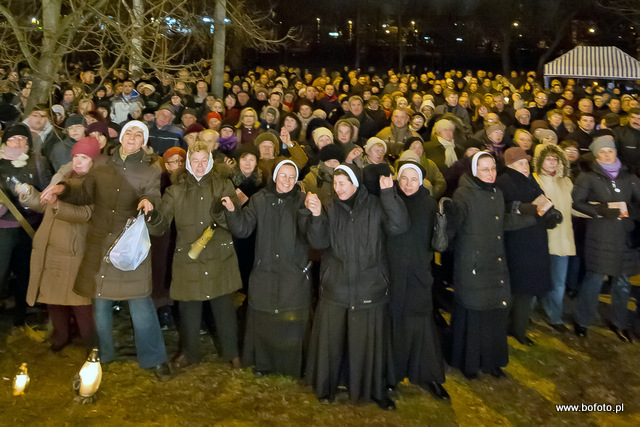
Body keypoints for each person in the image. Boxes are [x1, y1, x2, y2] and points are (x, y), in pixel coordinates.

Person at [42, 120, 171, 379]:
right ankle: (102, 354)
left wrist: (148, 202)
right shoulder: (101, 164)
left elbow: (153, 195)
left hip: (129, 246)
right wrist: (63, 189)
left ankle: (154, 358)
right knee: (100, 304)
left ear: (144, 141)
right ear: (121, 137)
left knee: (140, 303)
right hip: (101, 243)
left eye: (138, 134)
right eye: (128, 132)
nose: (132, 137)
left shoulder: (150, 170)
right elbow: (84, 195)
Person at [306, 163, 409, 410]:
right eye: (335, 184)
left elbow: (399, 226)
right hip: (337, 287)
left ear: (355, 183)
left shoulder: (375, 205)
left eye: (342, 183)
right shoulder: (330, 207)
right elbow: (318, 242)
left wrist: (389, 195)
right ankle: (327, 387)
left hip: (369, 286)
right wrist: (317, 216)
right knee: (331, 343)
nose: (338, 188)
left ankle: (374, 390)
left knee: (369, 345)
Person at [148, 141, 242, 369]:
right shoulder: (175, 191)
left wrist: (226, 212)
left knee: (224, 307)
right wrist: (151, 216)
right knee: (188, 308)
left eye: (203, 160)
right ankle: (189, 352)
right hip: (188, 257)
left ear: (210, 162)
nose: (199, 165)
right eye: (194, 161)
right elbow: (161, 225)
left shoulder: (224, 186)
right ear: (188, 164)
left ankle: (232, 352)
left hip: (219, 255)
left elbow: (236, 222)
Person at [223, 160, 314, 378]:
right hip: (265, 270)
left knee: (292, 317)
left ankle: (292, 366)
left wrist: (315, 213)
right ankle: (263, 363)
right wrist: (233, 211)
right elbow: (243, 229)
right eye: (283, 175)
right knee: (265, 318)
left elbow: (313, 235)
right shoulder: (260, 199)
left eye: (292, 177)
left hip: (294, 272)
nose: (287, 181)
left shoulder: (303, 201)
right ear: (275, 177)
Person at [18, 137, 101, 352]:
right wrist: (29, 195)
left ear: (94, 160)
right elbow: (43, 204)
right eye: (76, 156)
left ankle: (92, 344)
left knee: (80, 301)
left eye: (84, 157)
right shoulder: (62, 176)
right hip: (50, 245)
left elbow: (86, 214)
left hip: (75, 248)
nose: (78, 161)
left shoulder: (97, 182)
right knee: (52, 297)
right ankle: (60, 336)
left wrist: (57, 205)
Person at [386, 161, 449, 401]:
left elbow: (437, 242)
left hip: (418, 275)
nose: (408, 184)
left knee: (421, 326)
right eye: (404, 178)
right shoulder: (391, 201)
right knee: (394, 326)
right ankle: (391, 375)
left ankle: (427, 375)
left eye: (414, 179)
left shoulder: (429, 204)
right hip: (392, 274)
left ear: (421, 181)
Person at [447, 151, 510, 379]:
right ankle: (469, 362)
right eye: (484, 169)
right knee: (473, 314)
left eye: (492, 168)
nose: (490, 173)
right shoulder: (463, 194)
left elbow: (502, 222)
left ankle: (491, 361)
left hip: (494, 261)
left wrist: (534, 215)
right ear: (474, 171)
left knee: (494, 312)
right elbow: (453, 226)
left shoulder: (497, 193)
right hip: (472, 264)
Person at [571, 137, 640, 342]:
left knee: (623, 282)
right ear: (596, 155)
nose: (607, 154)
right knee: (593, 280)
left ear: (615, 152)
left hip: (625, 237)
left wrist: (630, 211)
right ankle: (582, 320)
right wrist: (601, 210)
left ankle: (619, 323)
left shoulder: (630, 177)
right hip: (600, 236)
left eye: (610, 150)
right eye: (602, 152)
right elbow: (577, 202)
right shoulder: (588, 177)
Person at [495, 147, 559, 346]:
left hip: (534, 242)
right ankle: (502, 329)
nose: (525, 166)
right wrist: (530, 214)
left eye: (526, 163)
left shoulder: (530, 180)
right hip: (517, 244)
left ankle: (519, 329)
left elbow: (541, 201)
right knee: (514, 290)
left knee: (526, 290)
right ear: (510, 165)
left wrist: (550, 213)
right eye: (520, 163)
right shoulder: (503, 182)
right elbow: (501, 214)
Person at [0, 123, 53, 327]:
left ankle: (20, 314)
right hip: (3, 228)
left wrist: (32, 198)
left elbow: (48, 192)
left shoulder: (38, 162)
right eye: (12, 138)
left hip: (30, 227)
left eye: (22, 138)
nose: (17, 142)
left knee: (26, 272)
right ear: (5, 142)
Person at [533, 144, 575, 333]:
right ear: (540, 161)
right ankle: (526, 314)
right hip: (541, 240)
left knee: (559, 282)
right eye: (548, 158)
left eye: (555, 159)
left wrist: (597, 210)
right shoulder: (534, 181)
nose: (552, 162)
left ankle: (554, 316)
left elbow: (574, 208)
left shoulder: (566, 182)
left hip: (563, 240)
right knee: (536, 279)